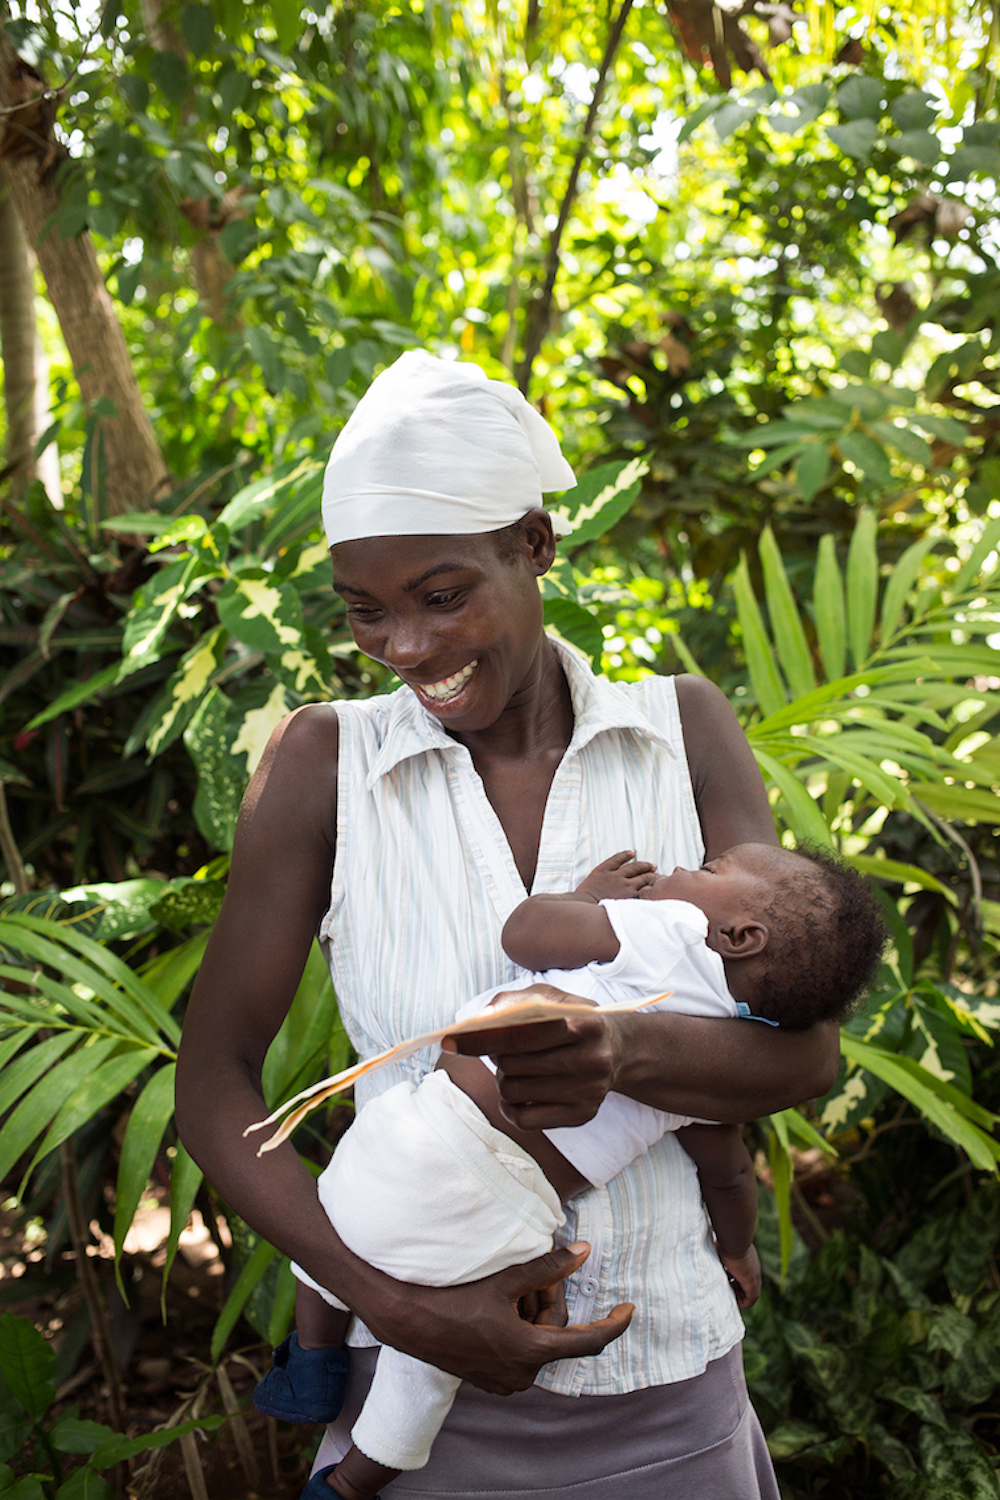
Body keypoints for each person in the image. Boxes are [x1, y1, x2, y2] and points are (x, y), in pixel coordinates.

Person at [175, 350, 842, 1500]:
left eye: (442, 597)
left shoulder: (684, 731)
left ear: (534, 543)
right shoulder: (323, 764)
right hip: (411, 1386)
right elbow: (216, 1084)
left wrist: (622, 1054)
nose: (407, 648)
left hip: (665, 1386)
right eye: (365, 613)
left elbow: (804, 1046)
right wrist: (393, 1308)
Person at [253, 842, 885, 1500]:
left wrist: (591, 899)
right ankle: (355, 1481)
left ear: (738, 935)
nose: (681, 871)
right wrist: (739, 1248)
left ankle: (313, 1360)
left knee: (340, 1214)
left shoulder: (671, 933)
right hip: (510, 1217)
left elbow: (526, 935)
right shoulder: (717, 1061)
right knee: (426, 1370)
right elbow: (727, 1175)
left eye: (709, 873)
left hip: (432, 1131)